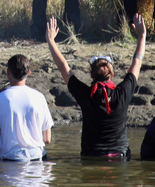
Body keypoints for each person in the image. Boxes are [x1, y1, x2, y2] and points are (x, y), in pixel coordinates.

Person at [46, 14, 145, 160]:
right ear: (111, 74)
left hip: (91, 157)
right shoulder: (123, 92)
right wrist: (142, 35)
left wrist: (50, 41)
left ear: (92, 75)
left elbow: (63, 68)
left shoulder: (86, 95)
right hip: (120, 157)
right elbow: (137, 62)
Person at [0, 54, 53, 161]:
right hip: (38, 159)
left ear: (8, 72)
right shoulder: (39, 97)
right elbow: (47, 139)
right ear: (28, 72)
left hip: (11, 160)